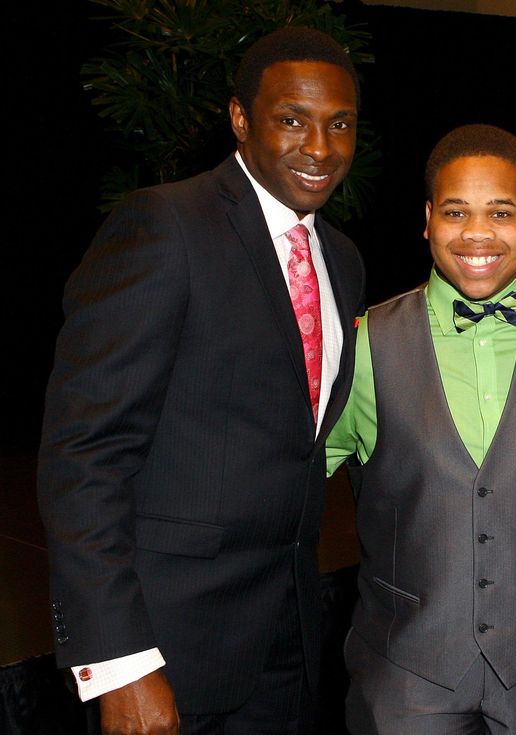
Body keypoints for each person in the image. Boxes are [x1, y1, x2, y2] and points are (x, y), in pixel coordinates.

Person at [37, 28, 365, 734]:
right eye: (291, 119)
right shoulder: (164, 226)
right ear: (240, 119)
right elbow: (84, 451)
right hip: (168, 650)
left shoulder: (343, 258)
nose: (319, 146)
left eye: (340, 123)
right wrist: (120, 659)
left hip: (287, 647)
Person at [326, 124, 516, 734]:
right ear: (427, 220)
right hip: (403, 674)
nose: (477, 233)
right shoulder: (365, 342)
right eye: (456, 212)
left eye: (499, 212)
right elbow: (283, 477)